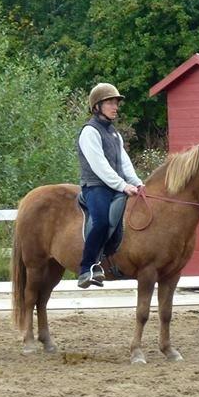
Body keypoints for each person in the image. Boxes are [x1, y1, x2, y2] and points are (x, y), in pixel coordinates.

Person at [76, 82, 144, 288]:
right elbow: (100, 165)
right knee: (102, 222)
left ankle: (108, 262)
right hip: (95, 186)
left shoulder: (115, 134)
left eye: (116, 103)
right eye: (110, 103)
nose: (115, 107)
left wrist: (138, 183)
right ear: (97, 106)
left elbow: (124, 162)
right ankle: (86, 268)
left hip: (115, 186)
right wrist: (123, 185)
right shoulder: (89, 132)